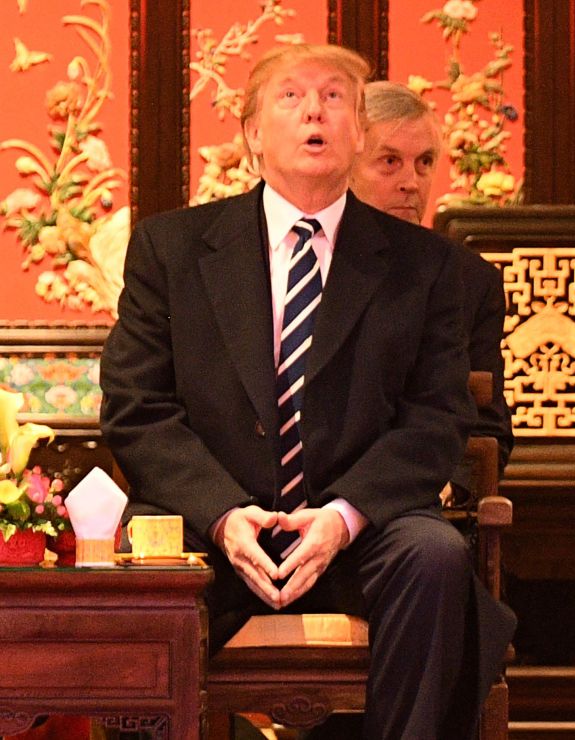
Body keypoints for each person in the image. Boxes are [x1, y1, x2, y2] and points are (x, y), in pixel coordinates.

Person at [99, 44, 515, 740]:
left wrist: (343, 516)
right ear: (252, 134)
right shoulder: (170, 249)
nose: (315, 111)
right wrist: (227, 515)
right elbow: (137, 409)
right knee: (145, 571)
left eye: (334, 98)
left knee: (436, 556)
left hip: (359, 533)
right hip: (214, 529)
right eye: (291, 97)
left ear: (358, 132)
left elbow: (437, 417)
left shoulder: (426, 268)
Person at [351, 81, 513, 505]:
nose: (411, 182)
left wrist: (446, 485)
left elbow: (488, 428)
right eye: (389, 161)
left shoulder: (469, 280)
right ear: (343, 165)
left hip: (420, 502)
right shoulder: (307, 264)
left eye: (424, 163)